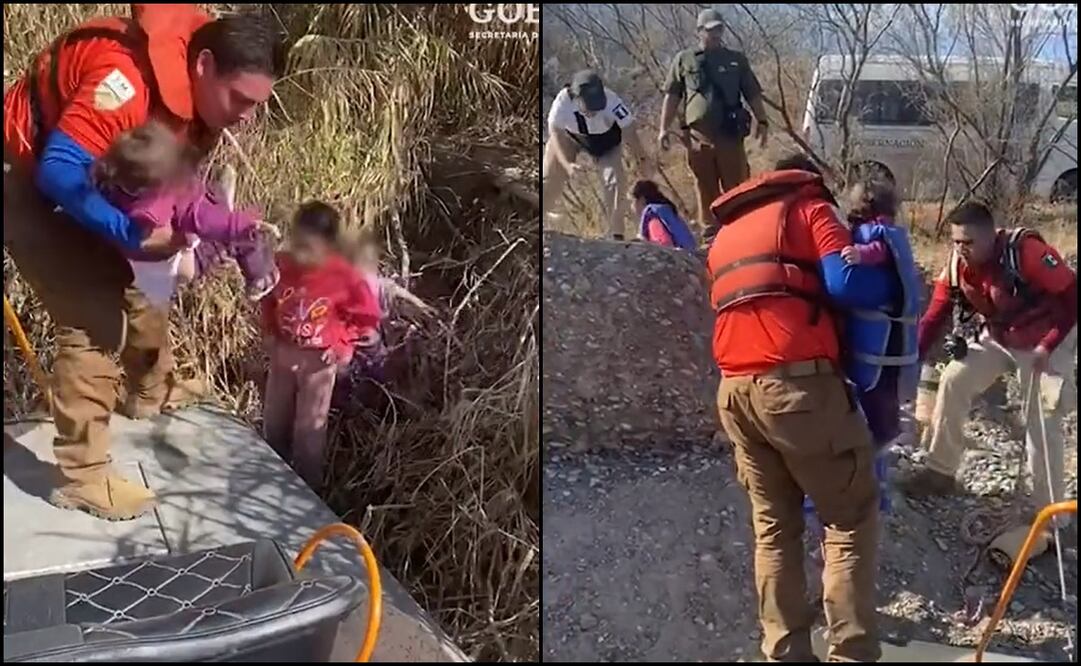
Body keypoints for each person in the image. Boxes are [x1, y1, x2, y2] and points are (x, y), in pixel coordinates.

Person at [3, 4, 285, 521]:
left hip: (105, 181)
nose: (247, 116)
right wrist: (128, 233)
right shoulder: (124, 83)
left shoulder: (199, 97)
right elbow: (58, 170)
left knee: (146, 283)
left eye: (256, 105)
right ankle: (82, 477)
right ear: (202, 66)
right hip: (27, 174)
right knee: (93, 313)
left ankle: (151, 388)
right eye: (240, 100)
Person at [706, 153, 894, 662]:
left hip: (735, 392)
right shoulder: (810, 209)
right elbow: (845, 284)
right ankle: (851, 653)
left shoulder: (728, 233)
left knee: (774, 529)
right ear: (811, 179)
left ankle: (784, 651)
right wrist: (893, 281)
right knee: (850, 516)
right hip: (797, 391)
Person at [902, 202, 1077, 551]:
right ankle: (940, 471)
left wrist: (1047, 347)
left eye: (967, 242)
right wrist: (911, 361)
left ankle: (1054, 517)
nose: (960, 249)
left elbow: (1074, 300)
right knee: (954, 377)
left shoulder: (1026, 253)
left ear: (990, 236)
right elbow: (934, 317)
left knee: (1042, 422)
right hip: (999, 338)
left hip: (1047, 339)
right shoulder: (957, 265)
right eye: (954, 241)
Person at [93, 120, 280, 313]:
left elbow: (199, 216)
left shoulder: (113, 186)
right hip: (167, 263)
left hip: (160, 264)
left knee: (225, 231)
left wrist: (240, 226)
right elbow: (203, 218)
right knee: (217, 230)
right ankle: (221, 205)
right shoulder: (165, 195)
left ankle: (261, 272)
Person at [260, 202, 382, 493]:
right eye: (297, 243)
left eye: (309, 247)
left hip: (319, 361)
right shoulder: (281, 264)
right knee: (274, 419)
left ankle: (307, 491)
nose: (300, 253)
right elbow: (267, 298)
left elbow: (367, 315)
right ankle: (267, 475)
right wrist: (270, 333)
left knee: (309, 429)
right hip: (284, 353)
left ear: (329, 247)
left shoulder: (343, 277)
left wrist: (344, 344)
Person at [659, 8, 769, 241]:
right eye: (710, 30)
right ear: (700, 31)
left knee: (736, 182)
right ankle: (710, 233)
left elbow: (752, 92)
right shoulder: (685, 59)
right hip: (699, 134)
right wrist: (663, 128)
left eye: (718, 29)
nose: (715, 34)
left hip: (730, 132)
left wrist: (762, 120)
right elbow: (672, 95)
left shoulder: (736, 60)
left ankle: (740, 227)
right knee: (704, 182)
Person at [543, 69, 650, 240]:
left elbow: (629, 130)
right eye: (589, 106)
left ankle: (616, 233)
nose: (593, 111)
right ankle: (539, 217)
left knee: (615, 180)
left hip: (606, 142)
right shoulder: (563, 100)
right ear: (576, 98)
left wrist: (641, 158)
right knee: (550, 174)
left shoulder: (612, 100)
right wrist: (566, 164)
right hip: (571, 138)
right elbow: (555, 132)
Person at [629, 179, 697, 251]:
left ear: (642, 199)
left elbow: (665, 245)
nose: (632, 206)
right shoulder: (665, 212)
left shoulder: (653, 220)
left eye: (632, 201)